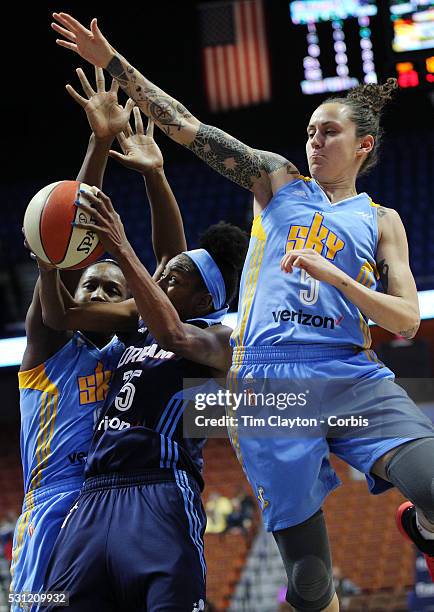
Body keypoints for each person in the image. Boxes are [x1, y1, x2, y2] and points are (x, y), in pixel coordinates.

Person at [50, 13, 434, 612]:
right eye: (310, 130)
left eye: (328, 132)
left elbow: (407, 318)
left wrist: (337, 278)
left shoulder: (382, 219)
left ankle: (425, 527)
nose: (313, 141)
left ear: (364, 144)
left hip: (352, 374)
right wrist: (113, 63)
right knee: (308, 586)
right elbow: (185, 126)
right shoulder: (275, 180)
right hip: (268, 383)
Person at [9, 66, 133, 608]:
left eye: (115, 286)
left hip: (115, 506)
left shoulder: (128, 354)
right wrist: (99, 143)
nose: (103, 291)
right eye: (93, 282)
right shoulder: (49, 340)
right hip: (54, 503)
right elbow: (65, 237)